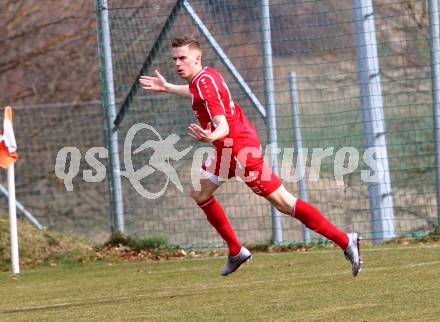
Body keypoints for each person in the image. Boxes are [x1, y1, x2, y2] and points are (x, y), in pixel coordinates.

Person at [139, 36, 361, 277]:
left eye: (182, 58)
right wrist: (168, 87)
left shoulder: (204, 85)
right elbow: (194, 93)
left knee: (285, 203)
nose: (178, 64)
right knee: (200, 193)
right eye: (174, 59)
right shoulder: (204, 77)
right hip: (226, 151)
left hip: (241, 152)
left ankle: (345, 240)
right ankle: (236, 251)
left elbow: (222, 125)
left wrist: (210, 137)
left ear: (197, 58)